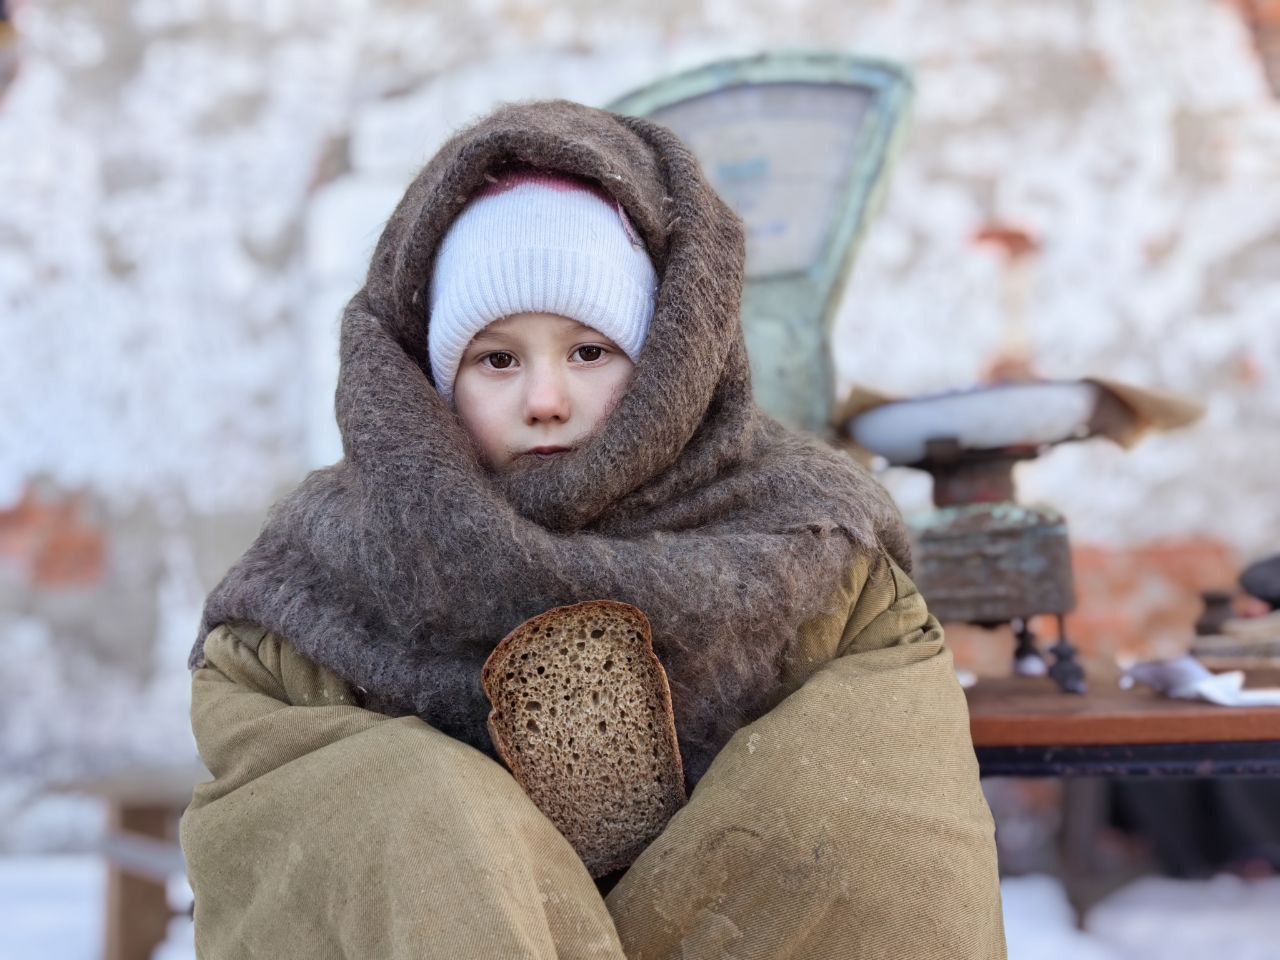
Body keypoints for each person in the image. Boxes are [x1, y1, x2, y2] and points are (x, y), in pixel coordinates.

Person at [180, 98, 1006, 958]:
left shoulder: (811, 547)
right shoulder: (320, 573)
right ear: (428, 382)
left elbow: (876, 815)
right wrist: (446, 842)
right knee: (413, 806)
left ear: (669, 360)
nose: (546, 401)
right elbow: (284, 787)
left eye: (590, 352)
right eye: (497, 359)